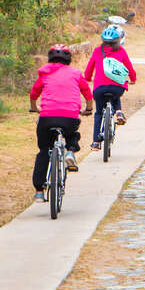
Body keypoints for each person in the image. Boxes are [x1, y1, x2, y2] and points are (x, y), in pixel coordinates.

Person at [29, 44, 93, 202]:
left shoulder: (44, 73)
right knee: (72, 133)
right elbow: (87, 93)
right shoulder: (76, 73)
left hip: (47, 117)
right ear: (69, 59)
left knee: (44, 151)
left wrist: (34, 108)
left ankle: (39, 191)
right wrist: (88, 109)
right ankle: (70, 151)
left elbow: (33, 94)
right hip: (69, 117)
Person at [83, 25, 137, 151]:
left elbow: (89, 70)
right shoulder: (121, 51)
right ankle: (118, 111)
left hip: (99, 89)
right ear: (118, 41)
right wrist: (133, 79)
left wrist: (88, 78)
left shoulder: (97, 51)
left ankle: (96, 142)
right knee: (116, 93)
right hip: (117, 88)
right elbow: (129, 68)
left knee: (98, 113)